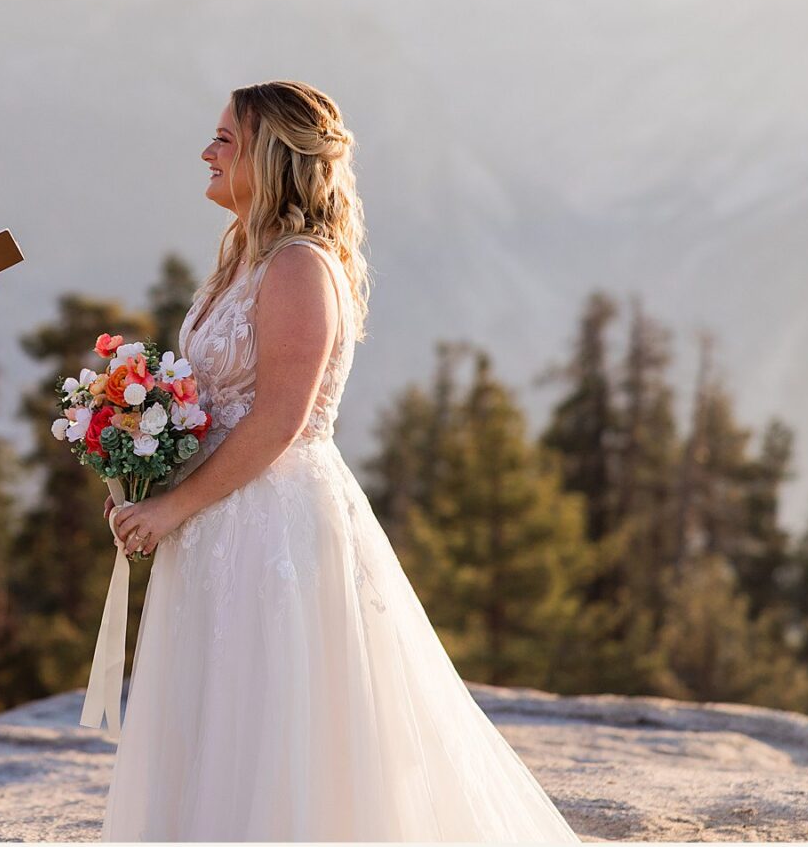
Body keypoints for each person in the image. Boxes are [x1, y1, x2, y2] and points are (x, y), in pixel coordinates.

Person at [103, 80, 581, 841]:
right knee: (216, 718)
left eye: (226, 140)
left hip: (273, 526)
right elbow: (210, 405)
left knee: (275, 727)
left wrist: (172, 507)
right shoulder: (242, 256)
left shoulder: (298, 266)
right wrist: (142, 468)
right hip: (214, 520)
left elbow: (280, 422)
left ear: (271, 156)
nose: (207, 151)